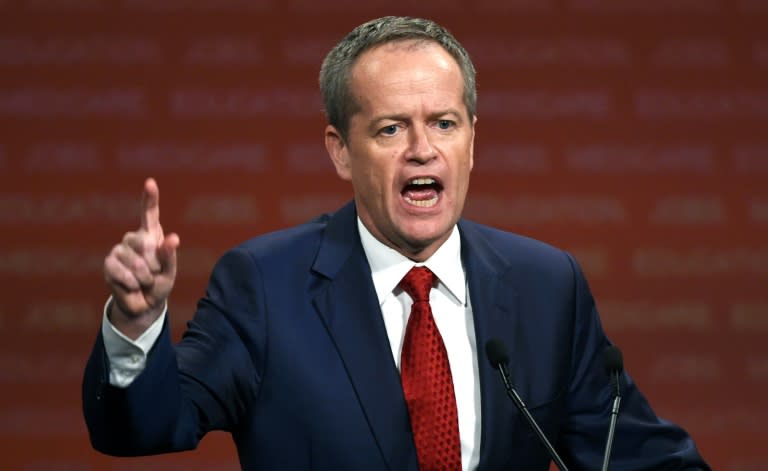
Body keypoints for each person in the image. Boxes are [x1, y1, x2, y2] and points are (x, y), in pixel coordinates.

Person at [82, 16, 710, 470]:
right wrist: (135, 324)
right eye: (390, 128)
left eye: (444, 123)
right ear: (341, 152)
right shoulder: (265, 285)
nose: (422, 149)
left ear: (472, 140)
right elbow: (145, 427)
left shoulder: (546, 284)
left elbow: (634, 456)